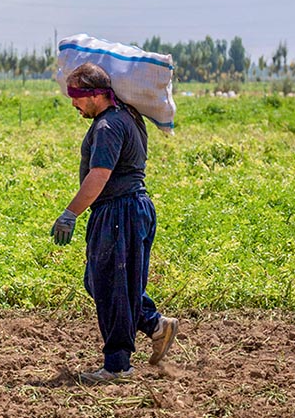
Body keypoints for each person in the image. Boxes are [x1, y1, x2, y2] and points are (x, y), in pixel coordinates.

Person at [51, 62, 179, 384]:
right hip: (134, 210)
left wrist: (70, 213)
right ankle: (153, 324)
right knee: (101, 283)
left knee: (113, 288)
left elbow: (99, 175)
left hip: (119, 213)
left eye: (77, 97)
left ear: (94, 94)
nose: (74, 105)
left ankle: (118, 365)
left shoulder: (108, 126)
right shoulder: (131, 118)